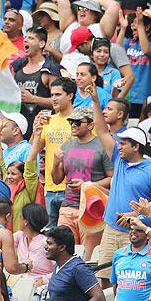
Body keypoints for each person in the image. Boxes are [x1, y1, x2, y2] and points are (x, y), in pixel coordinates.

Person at [89, 82, 151, 284]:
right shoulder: (119, 159)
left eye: (123, 143)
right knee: (105, 278)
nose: (119, 146)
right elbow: (101, 130)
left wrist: (135, 214)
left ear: (136, 147)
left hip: (137, 233)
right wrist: (96, 101)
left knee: (129, 280)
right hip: (111, 229)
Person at [51, 106, 113, 260]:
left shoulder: (102, 147)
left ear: (91, 125)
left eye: (78, 122)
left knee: (87, 256)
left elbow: (112, 179)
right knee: (62, 253)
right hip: (67, 207)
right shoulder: (66, 146)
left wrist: (87, 185)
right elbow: (57, 179)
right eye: (71, 121)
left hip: (91, 207)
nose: (73, 125)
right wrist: (55, 162)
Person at [12, 27, 60, 136]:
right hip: (18, 129)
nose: (25, 40)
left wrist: (33, 99)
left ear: (41, 44)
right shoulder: (18, 66)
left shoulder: (50, 69)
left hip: (42, 129)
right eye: (25, 37)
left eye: (31, 38)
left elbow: (58, 102)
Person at [40, 77, 74, 227]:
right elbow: (35, 149)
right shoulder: (48, 120)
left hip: (72, 189)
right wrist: (36, 131)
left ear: (70, 95)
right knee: (49, 237)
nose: (53, 98)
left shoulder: (81, 120)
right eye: (52, 94)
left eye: (58, 94)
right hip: (50, 187)